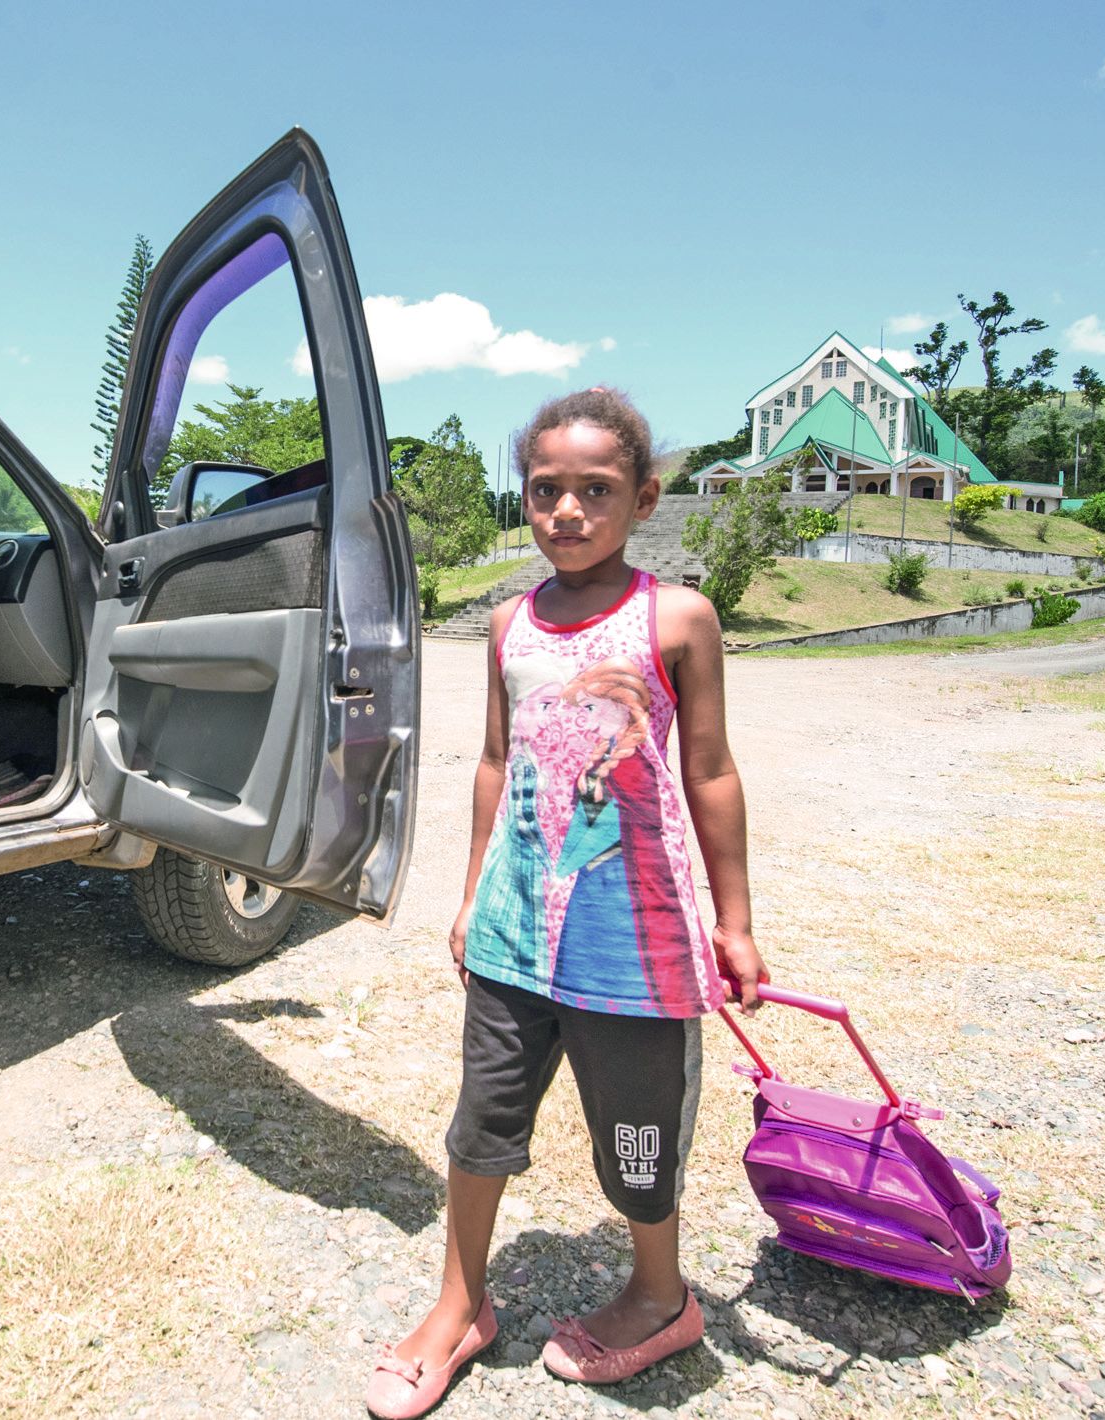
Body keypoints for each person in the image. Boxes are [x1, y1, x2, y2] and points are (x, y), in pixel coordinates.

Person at [366, 389, 766, 1418]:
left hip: (634, 951)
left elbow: (711, 770)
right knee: (480, 1124)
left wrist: (734, 922)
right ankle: (460, 1304)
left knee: (637, 1142)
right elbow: (496, 766)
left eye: (597, 490)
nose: (569, 512)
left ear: (642, 499)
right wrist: (467, 900)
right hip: (512, 936)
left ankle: (659, 1293)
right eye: (547, 490)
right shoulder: (508, 621)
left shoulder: (677, 617)